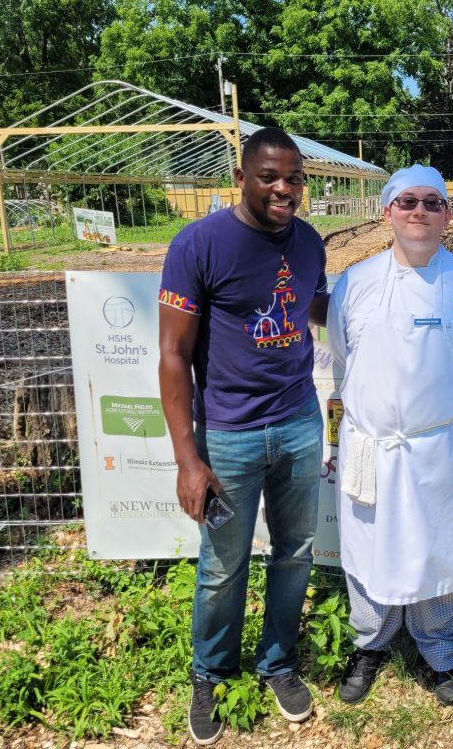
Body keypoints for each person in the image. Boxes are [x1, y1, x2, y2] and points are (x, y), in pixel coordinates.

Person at [159, 127, 328, 745]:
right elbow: (173, 355)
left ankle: (278, 662)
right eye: (269, 177)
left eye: (294, 178)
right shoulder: (198, 245)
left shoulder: (310, 243)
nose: (284, 189)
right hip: (228, 433)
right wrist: (187, 458)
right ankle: (211, 672)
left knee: (295, 550)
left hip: (300, 423)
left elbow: (316, 310)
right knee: (223, 565)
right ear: (242, 177)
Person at [327, 164, 453, 707]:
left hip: (445, 448)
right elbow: (345, 355)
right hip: (375, 446)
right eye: (406, 201)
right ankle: (370, 643)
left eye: (432, 202)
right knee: (368, 548)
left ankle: (438, 645)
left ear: (448, 215)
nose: (419, 211)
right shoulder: (356, 283)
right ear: (387, 212)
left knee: (443, 548)